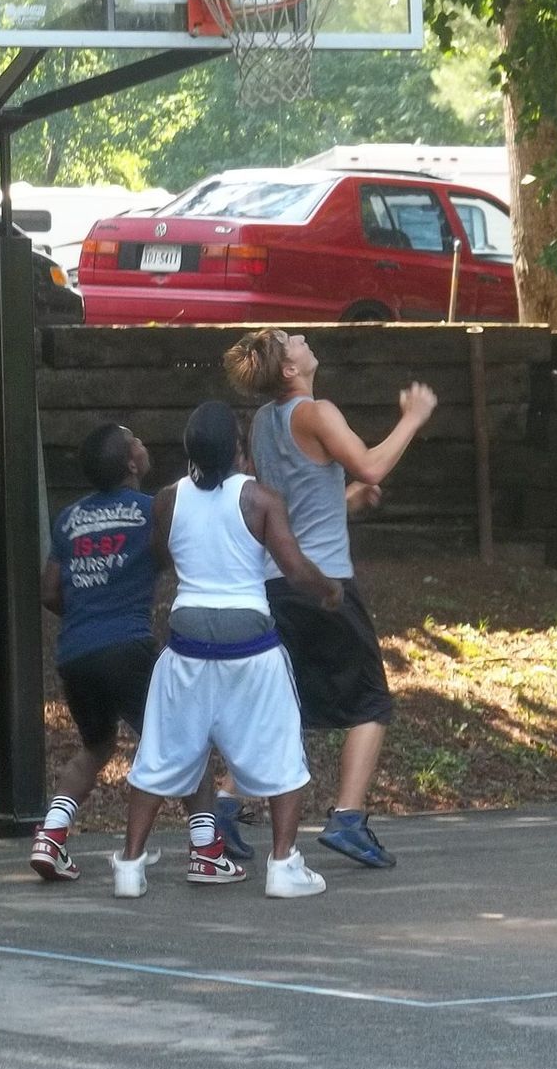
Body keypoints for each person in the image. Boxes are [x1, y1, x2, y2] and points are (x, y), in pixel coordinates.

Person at [111, 402, 344, 900]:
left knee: (159, 753)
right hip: (250, 647)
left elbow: (162, 555)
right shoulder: (261, 500)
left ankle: (129, 866)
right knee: (282, 749)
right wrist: (329, 591)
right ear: (240, 448)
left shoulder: (168, 500)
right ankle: (283, 865)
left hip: (187, 644)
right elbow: (294, 567)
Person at [223, 328, 435, 868]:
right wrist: (411, 417)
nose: (301, 338)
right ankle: (347, 818)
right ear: (290, 371)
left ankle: (225, 805)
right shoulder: (316, 412)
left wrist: (349, 501)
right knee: (372, 701)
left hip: (277, 583)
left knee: (283, 706)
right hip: (324, 584)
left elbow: (297, 509)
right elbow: (371, 464)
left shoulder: (265, 423)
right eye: (292, 340)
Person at [31, 424, 165, 883]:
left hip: (76, 651)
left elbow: (49, 589)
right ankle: (204, 845)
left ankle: (50, 836)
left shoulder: (69, 518)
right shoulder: (151, 511)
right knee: (172, 740)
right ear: (131, 463)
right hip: (127, 645)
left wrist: (87, 609)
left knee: (96, 746)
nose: (144, 444)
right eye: (137, 440)